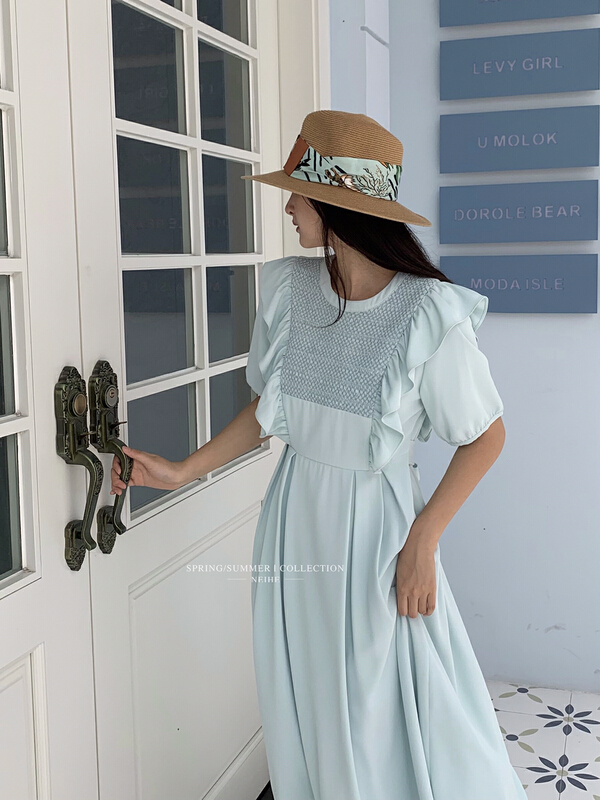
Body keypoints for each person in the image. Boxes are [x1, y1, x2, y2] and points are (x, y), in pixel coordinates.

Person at [111, 110, 527, 800]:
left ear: (336, 207)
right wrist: (182, 470)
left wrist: (423, 541)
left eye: (297, 195)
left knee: (377, 707)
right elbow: (269, 413)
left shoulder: (427, 312)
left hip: (377, 538)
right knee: (305, 694)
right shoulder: (290, 290)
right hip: (294, 521)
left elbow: (487, 436)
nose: (287, 209)